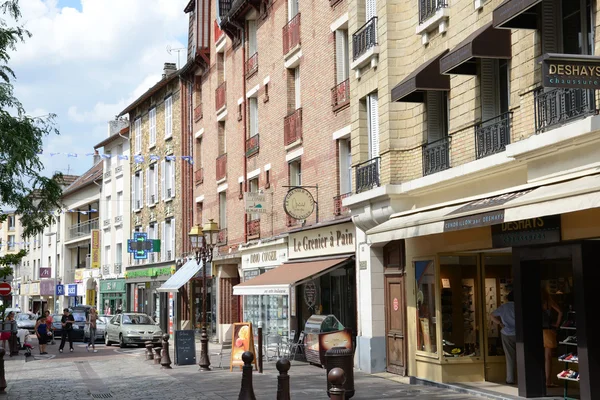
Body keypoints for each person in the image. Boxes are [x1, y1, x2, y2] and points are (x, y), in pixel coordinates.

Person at [491, 291, 516, 384]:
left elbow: (492, 315)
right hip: (519, 333)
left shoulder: (504, 307)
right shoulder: (520, 306)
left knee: (510, 357)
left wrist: (500, 323)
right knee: (522, 357)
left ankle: (510, 379)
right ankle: (523, 378)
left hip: (506, 333)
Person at [542, 287, 563, 388]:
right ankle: (548, 380)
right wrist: (557, 324)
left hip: (534, 332)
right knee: (548, 358)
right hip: (548, 330)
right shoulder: (548, 301)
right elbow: (560, 312)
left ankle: (539, 379)